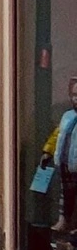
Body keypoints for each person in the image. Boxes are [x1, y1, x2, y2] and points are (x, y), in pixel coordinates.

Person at [41, 76, 77, 232]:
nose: (76, 99)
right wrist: (48, 152)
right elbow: (57, 135)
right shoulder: (67, 116)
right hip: (65, 163)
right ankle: (64, 220)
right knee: (66, 194)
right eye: (74, 95)